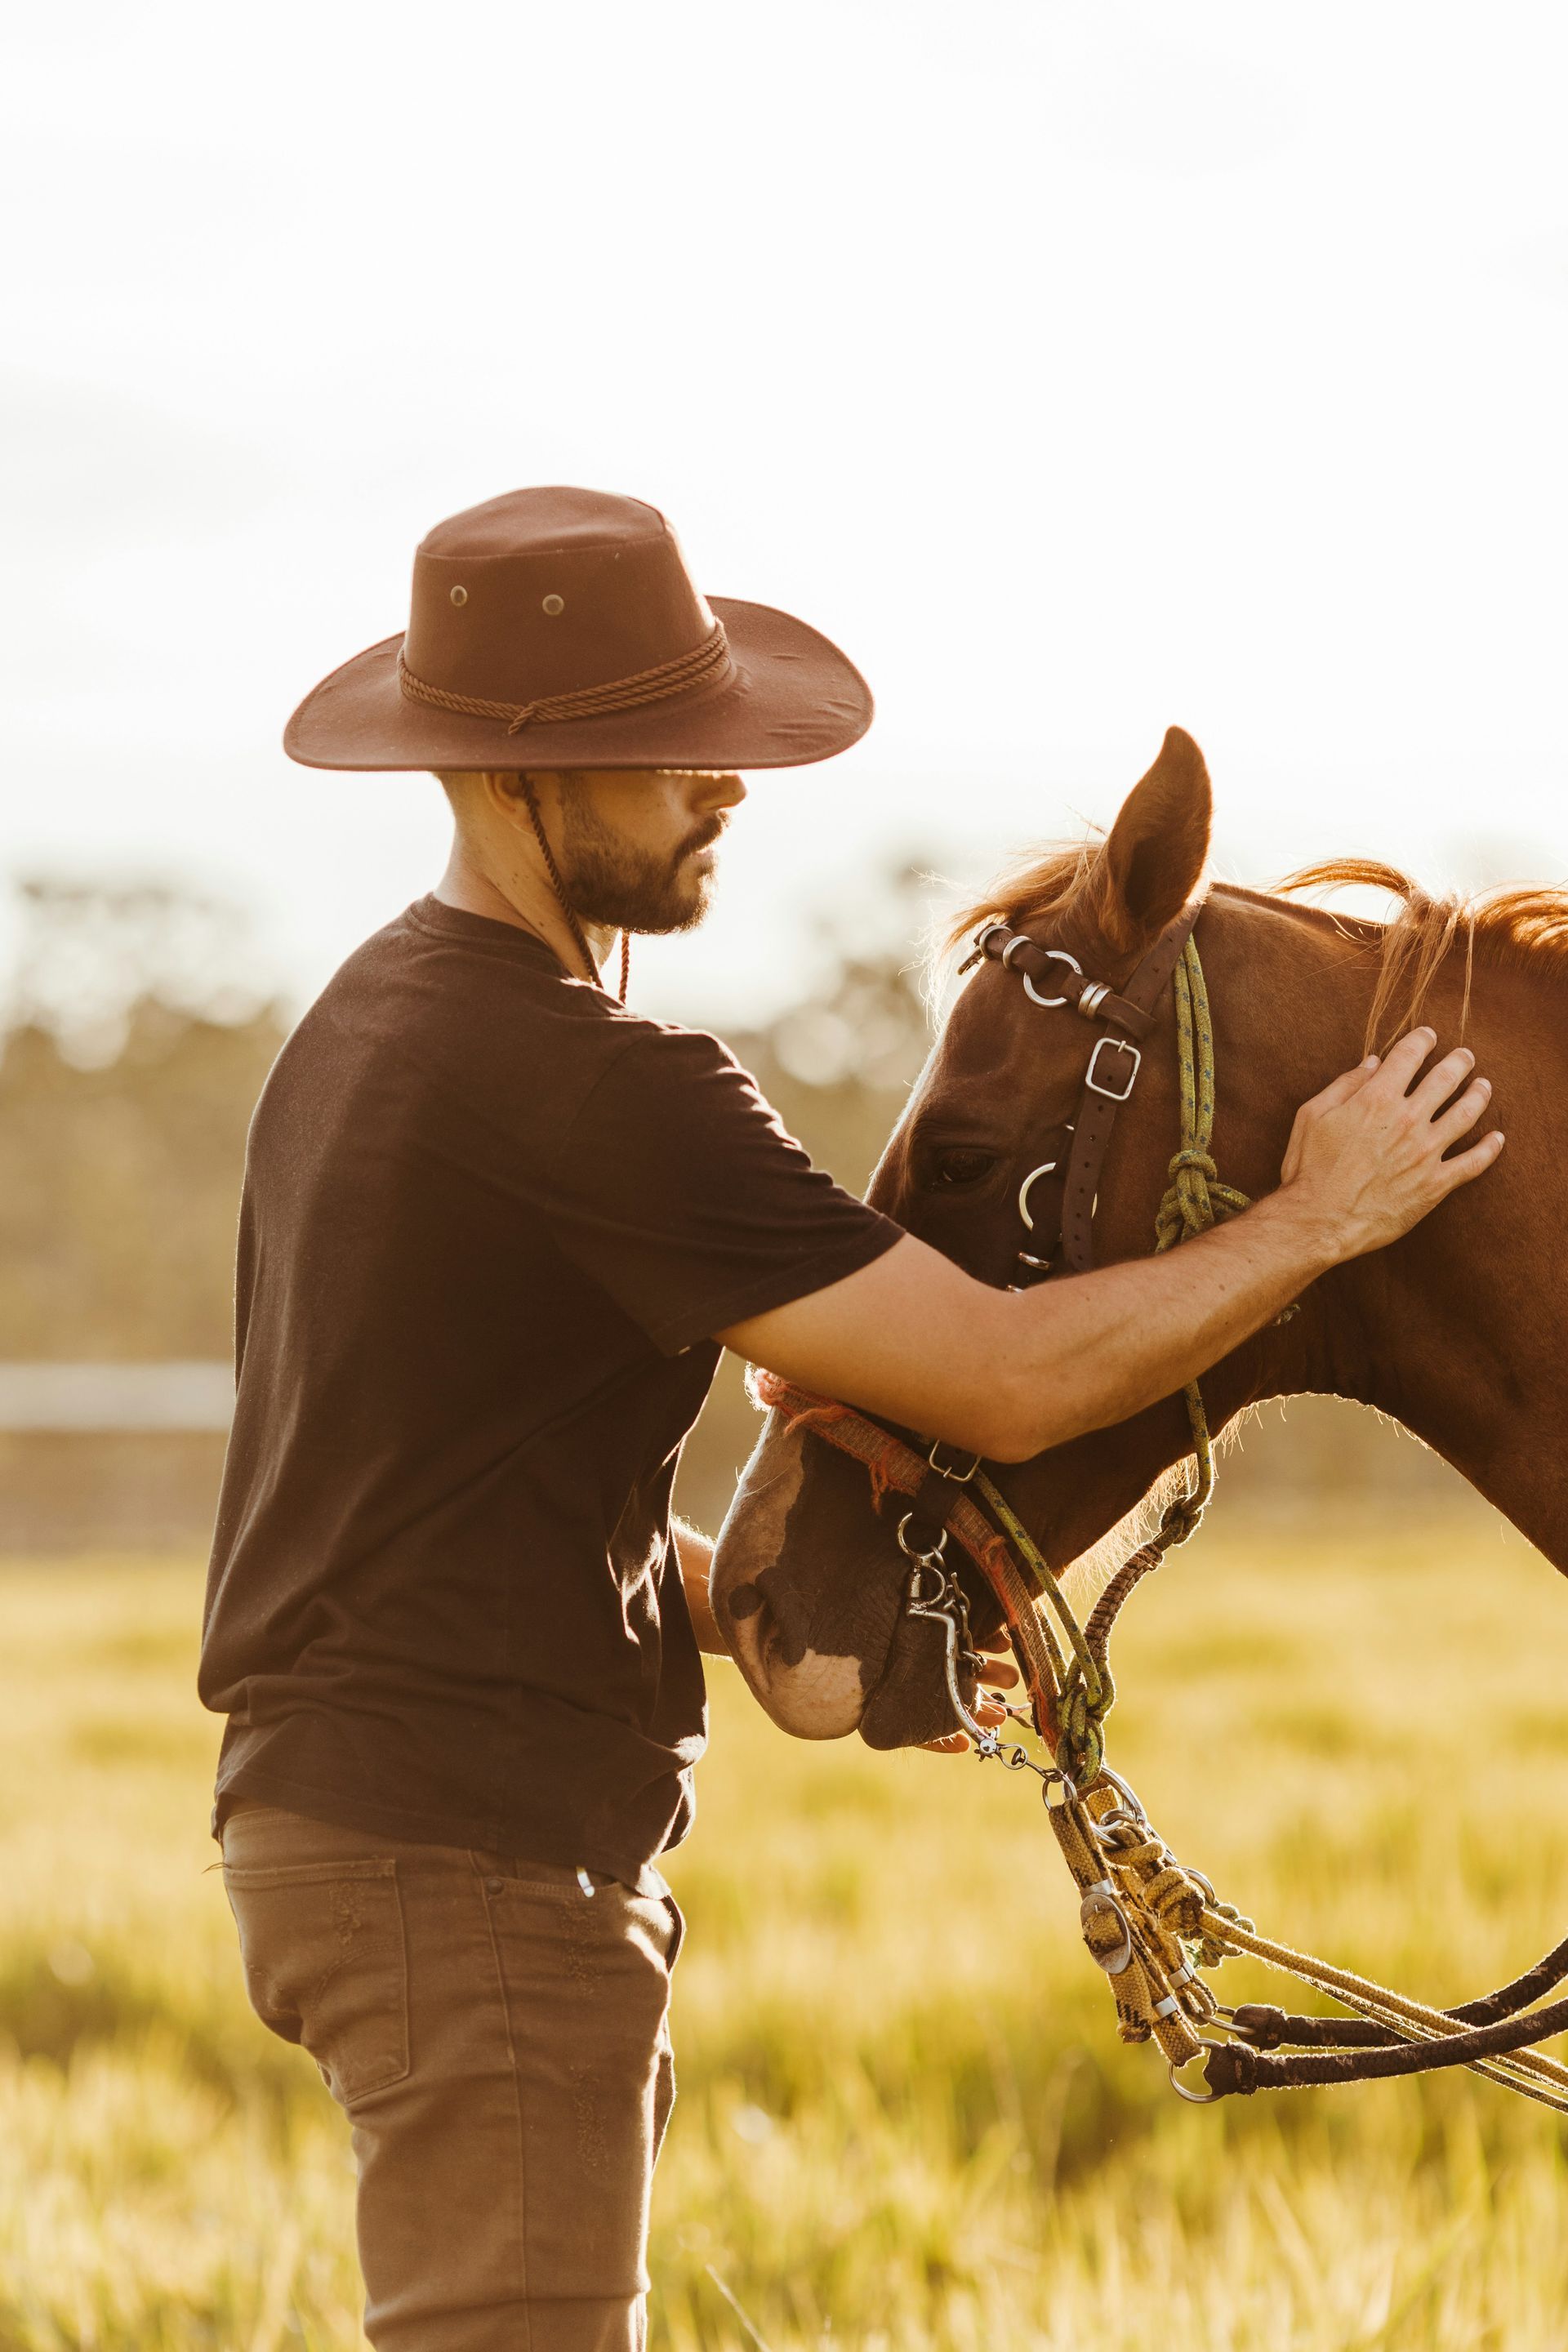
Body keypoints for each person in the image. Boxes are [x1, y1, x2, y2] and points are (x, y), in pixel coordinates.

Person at [200, 486, 1503, 2352]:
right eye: (666, 755)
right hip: (473, 1866)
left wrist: (741, 1601)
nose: (721, 786)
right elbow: (1003, 1370)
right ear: (509, 781)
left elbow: (420, 1485)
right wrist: (1327, 1218)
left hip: (380, 1837)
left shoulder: (368, 1028)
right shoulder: (579, 1085)